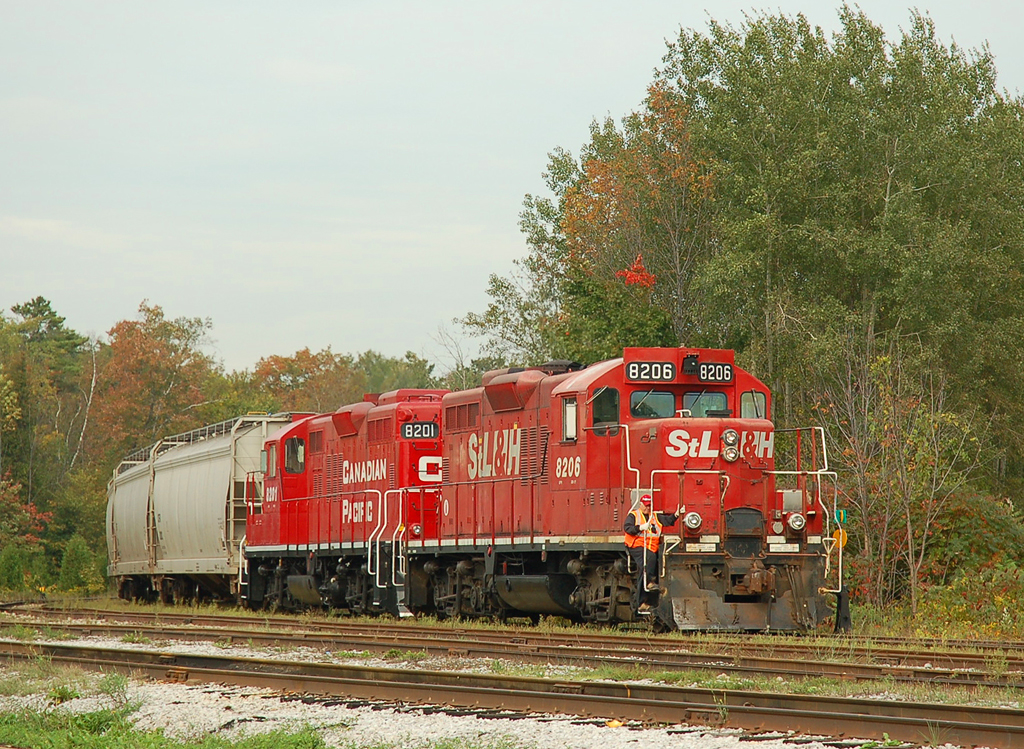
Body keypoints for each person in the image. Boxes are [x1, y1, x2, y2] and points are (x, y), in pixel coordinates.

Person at [623, 494, 680, 613]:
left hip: (650, 548)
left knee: (650, 563)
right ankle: (648, 584)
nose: (648, 508)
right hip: (635, 545)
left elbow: (668, 521)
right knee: (648, 559)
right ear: (641, 504)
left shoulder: (655, 517)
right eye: (646, 506)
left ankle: (647, 599)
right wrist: (640, 527)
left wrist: (676, 515)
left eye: (650, 506)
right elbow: (627, 528)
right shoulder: (633, 515)